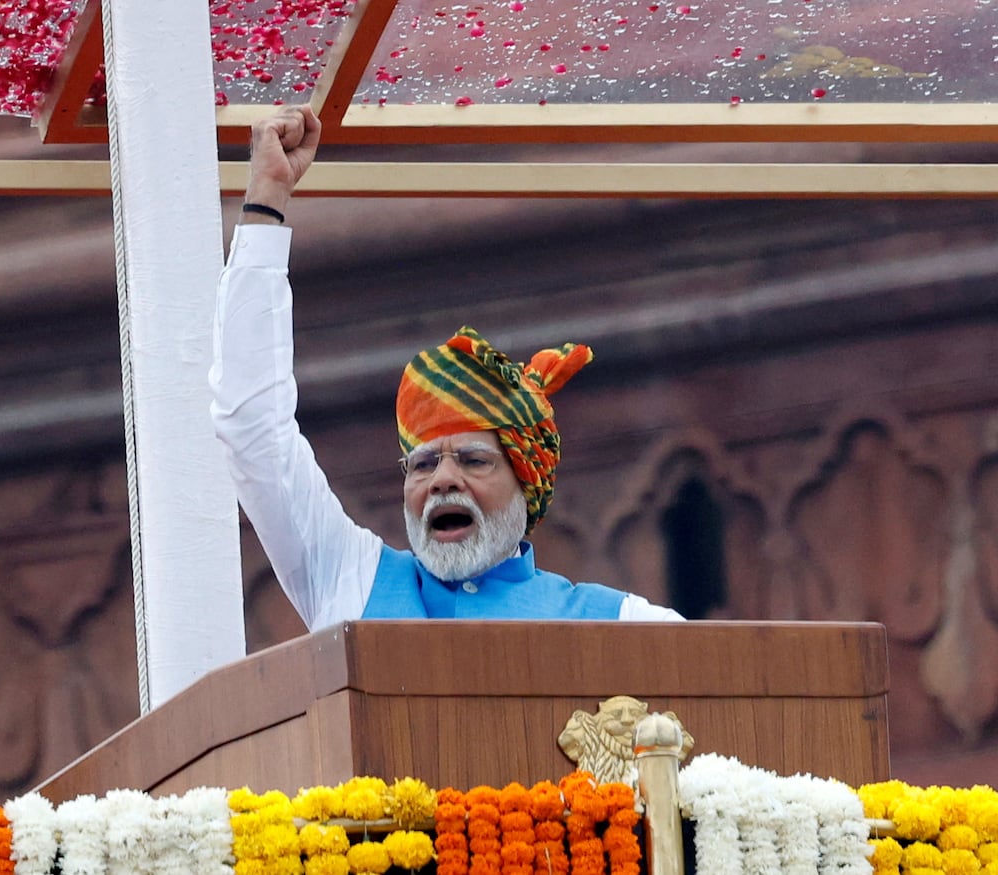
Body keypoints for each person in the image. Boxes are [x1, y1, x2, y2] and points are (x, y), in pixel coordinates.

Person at [209, 106, 684, 632]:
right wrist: (266, 200)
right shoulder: (351, 579)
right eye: (423, 464)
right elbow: (252, 428)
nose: (443, 480)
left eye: (475, 460)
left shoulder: (625, 625)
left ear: (526, 484)